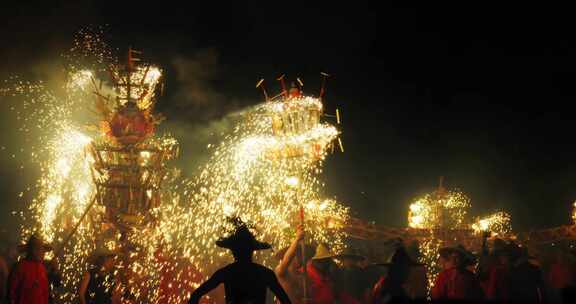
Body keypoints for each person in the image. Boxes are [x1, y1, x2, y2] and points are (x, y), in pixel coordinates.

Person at [188, 218, 291, 304]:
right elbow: (285, 301)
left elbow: (196, 295)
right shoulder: (265, 273)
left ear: (233, 251)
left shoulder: (227, 272)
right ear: (252, 250)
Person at [7, 234, 61, 304]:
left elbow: (57, 283)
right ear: (30, 250)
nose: (42, 252)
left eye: (42, 249)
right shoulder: (19, 267)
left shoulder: (45, 266)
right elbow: (11, 294)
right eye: (37, 248)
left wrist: (55, 270)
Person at [274, 225, 314, 304]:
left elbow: (308, 295)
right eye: (296, 253)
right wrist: (297, 238)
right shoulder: (280, 271)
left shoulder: (304, 275)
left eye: (299, 253)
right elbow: (287, 260)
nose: (299, 256)